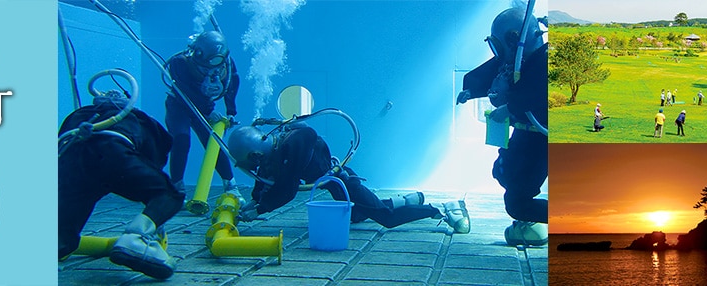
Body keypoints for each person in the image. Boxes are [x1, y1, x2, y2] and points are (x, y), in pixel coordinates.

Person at [227, 124, 471, 234]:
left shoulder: (295, 143)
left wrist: (260, 209)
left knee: (385, 219)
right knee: (357, 215)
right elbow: (265, 180)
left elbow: (286, 188)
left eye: (251, 163)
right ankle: (408, 199)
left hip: (344, 182)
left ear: (256, 153)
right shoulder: (273, 150)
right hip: (336, 185)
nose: (253, 169)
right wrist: (254, 201)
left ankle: (437, 209)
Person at [58, 91, 183, 279]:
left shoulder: (78, 115)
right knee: (170, 195)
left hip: (72, 159)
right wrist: (156, 214)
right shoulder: (140, 118)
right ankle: (136, 238)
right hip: (113, 152)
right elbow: (154, 159)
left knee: (62, 238)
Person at [455, 6, 548, 246]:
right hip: (523, 136)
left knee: (517, 203)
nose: (499, 53)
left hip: (538, 139)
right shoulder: (515, 60)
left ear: (514, 39)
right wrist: (471, 90)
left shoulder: (545, 59)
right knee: (502, 173)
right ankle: (531, 220)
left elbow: (538, 91)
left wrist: (507, 109)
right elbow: (494, 69)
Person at [163, 30, 241, 196]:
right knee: (181, 139)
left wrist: (231, 111)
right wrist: (209, 110)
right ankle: (176, 188)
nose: (211, 71)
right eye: (204, 67)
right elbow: (185, 91)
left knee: (213, 142)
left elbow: (231, 83)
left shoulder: (226, 63)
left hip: (205, 106)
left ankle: (231, 185)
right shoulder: (180, 62)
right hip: (179, 105)